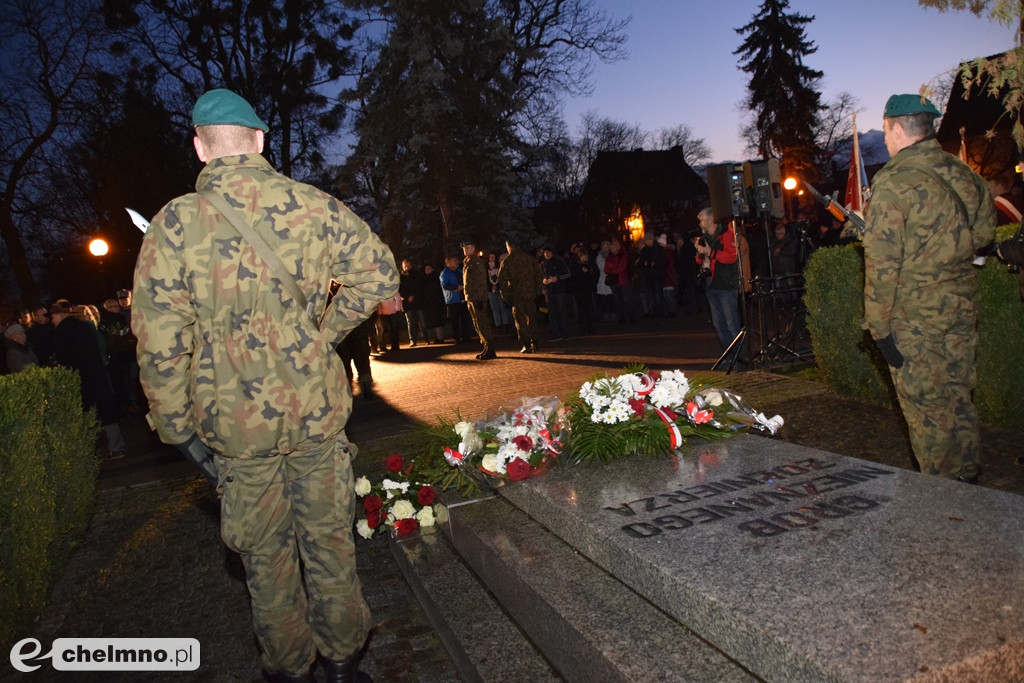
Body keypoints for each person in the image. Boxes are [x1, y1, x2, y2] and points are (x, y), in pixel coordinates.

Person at [132, 88, 397, 683]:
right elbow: (379, 272)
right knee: (330, 546)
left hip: (234, 427)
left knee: (266, 560)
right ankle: (344, 661)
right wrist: (321, 334)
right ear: (259, 139)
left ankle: (289, 668)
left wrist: (175, 426)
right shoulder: (312, 204)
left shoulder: (174, 224)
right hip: (313, 410)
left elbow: (158, 337)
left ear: (200, 148)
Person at [863, 93, 995, 484]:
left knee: (926, 411)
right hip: (959, 308)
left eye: (886, 130)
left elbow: (882, 267)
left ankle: (942, 502)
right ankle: (969, 479)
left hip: (914, 323)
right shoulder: (965, 175)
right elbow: (985, 236)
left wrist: (879, 329)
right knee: (958, 400)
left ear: (899, 130)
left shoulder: (893, 185)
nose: (885, 139)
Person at [50, 299, 126, 459]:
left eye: (53, 317)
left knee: (87, 413)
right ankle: (116, 446)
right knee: (106, 412)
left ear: (59, 315)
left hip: (81, 378)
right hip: (97, 375)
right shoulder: (85, 327)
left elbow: (65, 358)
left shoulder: (62, 332)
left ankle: (90, 452)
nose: (52, 321)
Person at [695, 208, 743, 363]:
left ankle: (739, 356)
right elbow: (700, 260)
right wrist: (700, 252)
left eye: (702, 219)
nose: (700, 223)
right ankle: (728, 355)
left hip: (725, 284)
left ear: (710, 220)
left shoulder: (727, 234)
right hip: (711, 284)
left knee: (731, 322)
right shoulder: (705, 237)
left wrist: (711, 252)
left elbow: (731, 257)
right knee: (718, 323)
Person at [497, 238, 542, 353]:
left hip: (516, 295)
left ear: (509, 247)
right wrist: (538, 291)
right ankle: (535, 343)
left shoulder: (507, 261)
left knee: (520, 320)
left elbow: (502, 281)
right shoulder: (529, 259)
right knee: (531, 318)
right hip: (530, 293)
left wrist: (505, 296)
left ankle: (526, 344)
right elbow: (538, 275)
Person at [462, 240, 496, 359]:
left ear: (473, 248)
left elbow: (481, 281)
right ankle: (486, 347)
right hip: (471, 297)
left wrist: (479, 298)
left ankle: (490, 348)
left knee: (482, 323)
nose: (465, 250)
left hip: (477, 297)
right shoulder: (467, 262)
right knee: (477, 323)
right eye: (464, 248)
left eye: (468, 247)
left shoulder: (476, 262)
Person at [540, 244, 572, 341]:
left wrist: (557, 278)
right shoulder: (543, 264)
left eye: (548, 252)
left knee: (562, 312)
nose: (547, 254)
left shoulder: (559, 262)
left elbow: (568, 274)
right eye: (545, 253)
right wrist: (543, 281)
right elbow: (540, 276)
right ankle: (556, 333)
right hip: (549, 291)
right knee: (552, 314)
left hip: (559, 290)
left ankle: (565, 333)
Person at [603, 238, 636, 323]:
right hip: (614, 282)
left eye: (613, 246)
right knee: (617, 300)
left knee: (626, 299)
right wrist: (613, 270)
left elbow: (622, 267)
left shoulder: (623, 256)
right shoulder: (609, 257)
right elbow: (606, 269)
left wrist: (612, 270)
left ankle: (630, 316)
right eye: (611, 246)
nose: (612, 248)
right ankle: (622, 317)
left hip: (622, 281)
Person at [635, 232, 667, 319]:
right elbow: (640, 263)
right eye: (646, 240)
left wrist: (655, 263)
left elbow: (664, 262)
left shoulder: (659, 249)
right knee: (652, 298)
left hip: (657, 276)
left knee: (658, 297)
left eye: (649, 240)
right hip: (648, 277)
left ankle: (661, 315)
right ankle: (656, 315)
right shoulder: (644, 250)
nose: (648, 242)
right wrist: (644, 264)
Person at [569, 247, 599, 333]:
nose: (584, 259)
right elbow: (572, 275)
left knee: (588, 307)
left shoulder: (590, 263)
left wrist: (588, 273)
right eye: (583, 257)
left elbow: (595, 273)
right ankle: (582, 326)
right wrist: (581, 272)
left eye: (585, 257)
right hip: (578, 289)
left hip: (587, 288)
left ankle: (589, 325)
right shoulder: (574, 264)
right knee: (580, 307)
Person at [440, 255, 469, 343]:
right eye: (454, 260)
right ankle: (457, 338)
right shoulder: (445, 273)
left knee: (465, 318)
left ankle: (466, 336)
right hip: (453, 300)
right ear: (448, 263)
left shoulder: (460, 271)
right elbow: (444, 285)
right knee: (455, 320)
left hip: (462, 298)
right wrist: (456, 287)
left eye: (456, 260)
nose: (456, 262)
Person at [399, 259, 427, 346]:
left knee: (422, 321)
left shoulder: (416, 275)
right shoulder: (401, 277)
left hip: (418, 301)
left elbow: (420, 287)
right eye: (405, 266)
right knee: (410, 322)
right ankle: (412, 340)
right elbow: (400, 290)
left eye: (408, 266)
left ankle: (426, 338)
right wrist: (407, 298)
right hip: (407, 303)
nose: (407, 268)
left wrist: (414, 296)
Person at [487, 251, 512, 334]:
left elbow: (502, 278)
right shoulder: (486, 268)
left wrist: (497, 285)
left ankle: (505, 324)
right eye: (490, 257)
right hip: (490, 290)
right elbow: (485, 279)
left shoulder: (499, 267)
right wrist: (491, 286)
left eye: (493, 257)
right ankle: (498, 325)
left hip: (499, 289)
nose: (491, 259)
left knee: (502, 307)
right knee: (494, 308)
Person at [421, 263, 447, 344]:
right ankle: (437, 337)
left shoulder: (436, 278)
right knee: (432, 321)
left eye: (429, 268)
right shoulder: (424, 280)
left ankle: (440, 337)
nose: (427, 270)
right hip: (428, 303)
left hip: (436, 302)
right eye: (426, 269)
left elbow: (438, 290)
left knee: (437, 320)